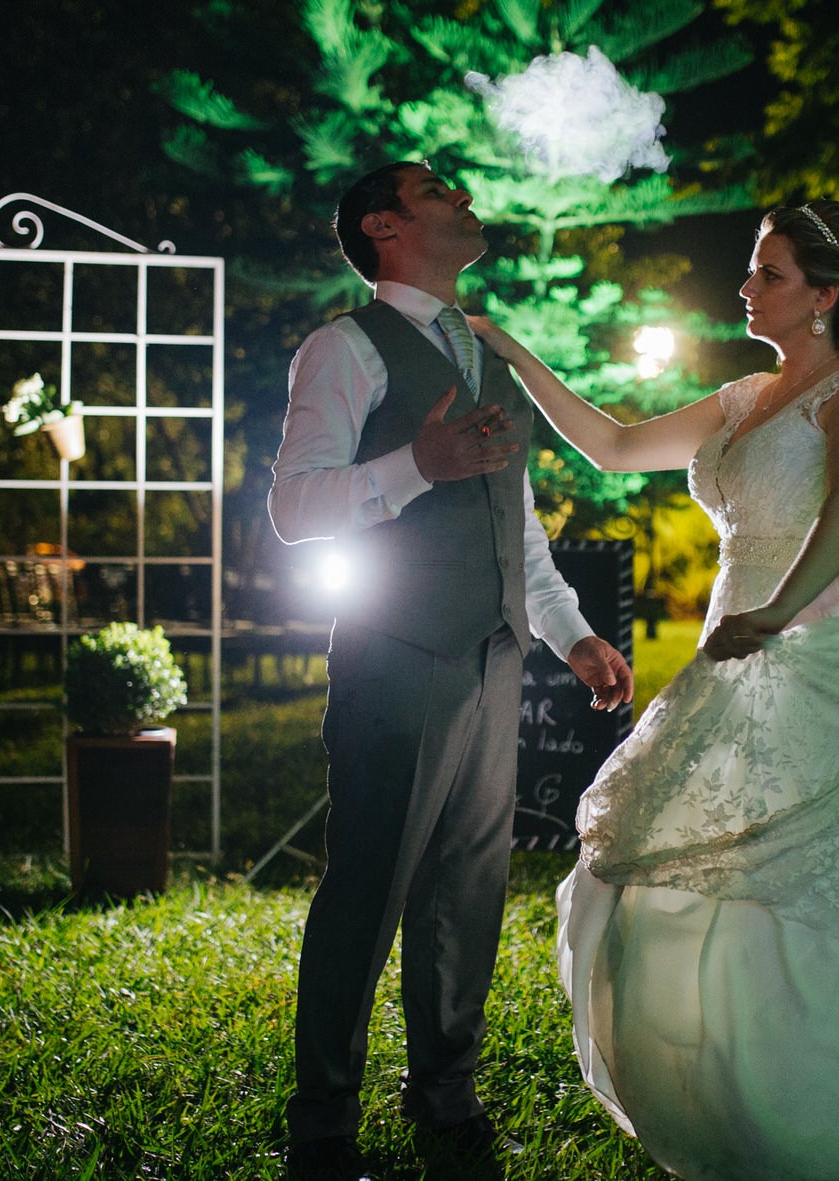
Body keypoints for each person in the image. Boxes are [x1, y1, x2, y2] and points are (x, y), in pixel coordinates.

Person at [469, 199, 839, 1180]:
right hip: (735, 643)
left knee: (795, 884)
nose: (744, 286)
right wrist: (510, 350)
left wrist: (776, 615)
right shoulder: (745, 397)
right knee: (657, 854)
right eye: (749, 269)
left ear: (824, 297)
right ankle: (741, 1105)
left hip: (823, 654)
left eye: (768, 274)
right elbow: (611, 445)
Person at [269, 160, 635, 1181]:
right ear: (384, 226)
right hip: (395, 655)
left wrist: (568, 633)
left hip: (495, 659)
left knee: (467, 892)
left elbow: (513, 526)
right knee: (368, 889)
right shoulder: (340, 350)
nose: (464, 199)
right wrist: (412, 469)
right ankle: (323, 1125)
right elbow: (293, 511)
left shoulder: (484, 355)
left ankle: (444, 1096)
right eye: (438, 192)